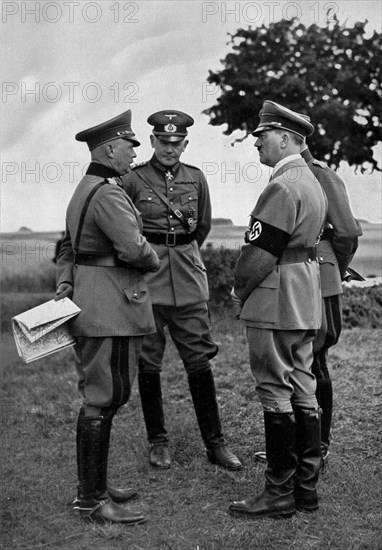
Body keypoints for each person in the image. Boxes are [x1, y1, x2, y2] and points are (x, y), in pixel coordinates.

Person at [120, 110, 242, 471]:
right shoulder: (133, 179)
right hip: (148, 282)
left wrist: (182, 253)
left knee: (199, 361)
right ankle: (158, 442)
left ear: (185, 143)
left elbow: (200, 227)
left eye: (177, 143)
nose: (170, 149)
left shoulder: (197, 179)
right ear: (153, 141)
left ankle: (215, 444)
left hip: (188, 282)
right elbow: (125, 230)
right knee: (149, 362)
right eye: (163, 142)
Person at [55, 109, 160, 524]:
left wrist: (66, 285)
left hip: (92, 304)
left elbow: (66, 249)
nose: (134, 153)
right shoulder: (110, 194)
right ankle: (92, 499)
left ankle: (93, 488)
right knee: (105, 396)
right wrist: (153, 257)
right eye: (130, 146)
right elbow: (134, 249)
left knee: (101, 395)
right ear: (110, 148)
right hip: (111, 309)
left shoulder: (86, 188)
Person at [228, 100, 327, 519]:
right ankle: (306, 490)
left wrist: (238, 290)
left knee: (274, 387)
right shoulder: (313, 182)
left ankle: (278, 492)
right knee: (304, 386)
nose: (256, 143)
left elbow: (259, 254)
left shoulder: (282, 186)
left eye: (262, 136)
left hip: (275, 297)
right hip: (305, 295)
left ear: (285, 138)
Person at [254, 131, 363, 468]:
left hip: (318, 276)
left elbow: (345, 233)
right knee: (297, 362)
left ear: (294, 141)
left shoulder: (319, 175)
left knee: (314, 358)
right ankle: (301, 447)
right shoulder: (288, 176)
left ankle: (318, 446)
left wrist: (332, 270)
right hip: (300, 275)